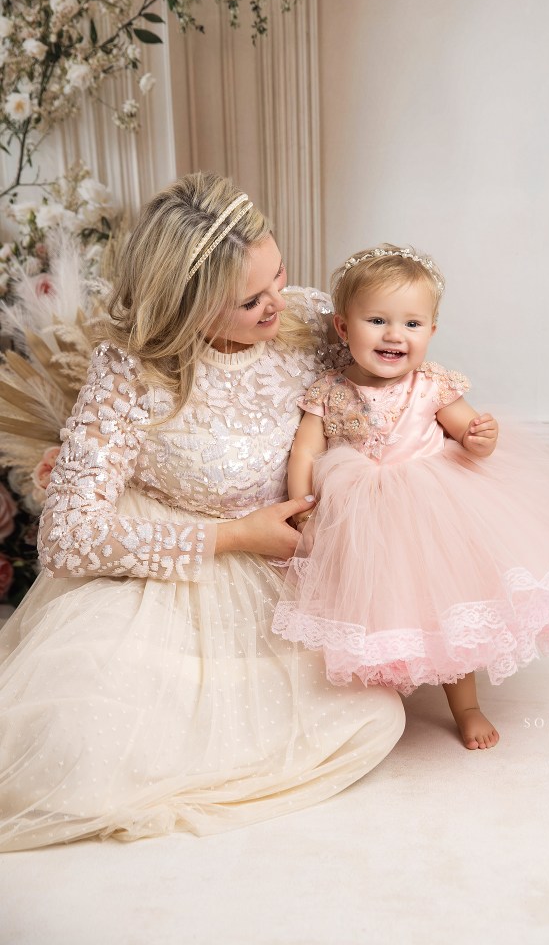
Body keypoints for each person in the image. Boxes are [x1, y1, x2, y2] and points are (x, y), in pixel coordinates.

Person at [0, 175, 405, 852]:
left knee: (362, 720)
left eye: (277, 273)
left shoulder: (307, 323)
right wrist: (231, 537)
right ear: (186, 308)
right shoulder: (129, 371)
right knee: (77, 749)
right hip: (172, 566)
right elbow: (68, 538)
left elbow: (395, 388)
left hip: (290, 566)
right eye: (250, 300)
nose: (278, 302)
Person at [272, 244, 549, 750]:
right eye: (377, 320)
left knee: (448, 610)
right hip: (360, 517)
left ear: (431, 333)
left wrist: (482, 437)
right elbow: (305, 453)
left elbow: (467, 433)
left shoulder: (433, 384)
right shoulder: (327, 390)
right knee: (377, 607)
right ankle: (377, 698)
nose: (395, 335)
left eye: (412, 324)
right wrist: (302, 507)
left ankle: (467, 705)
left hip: (435, 511)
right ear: (344, 328)